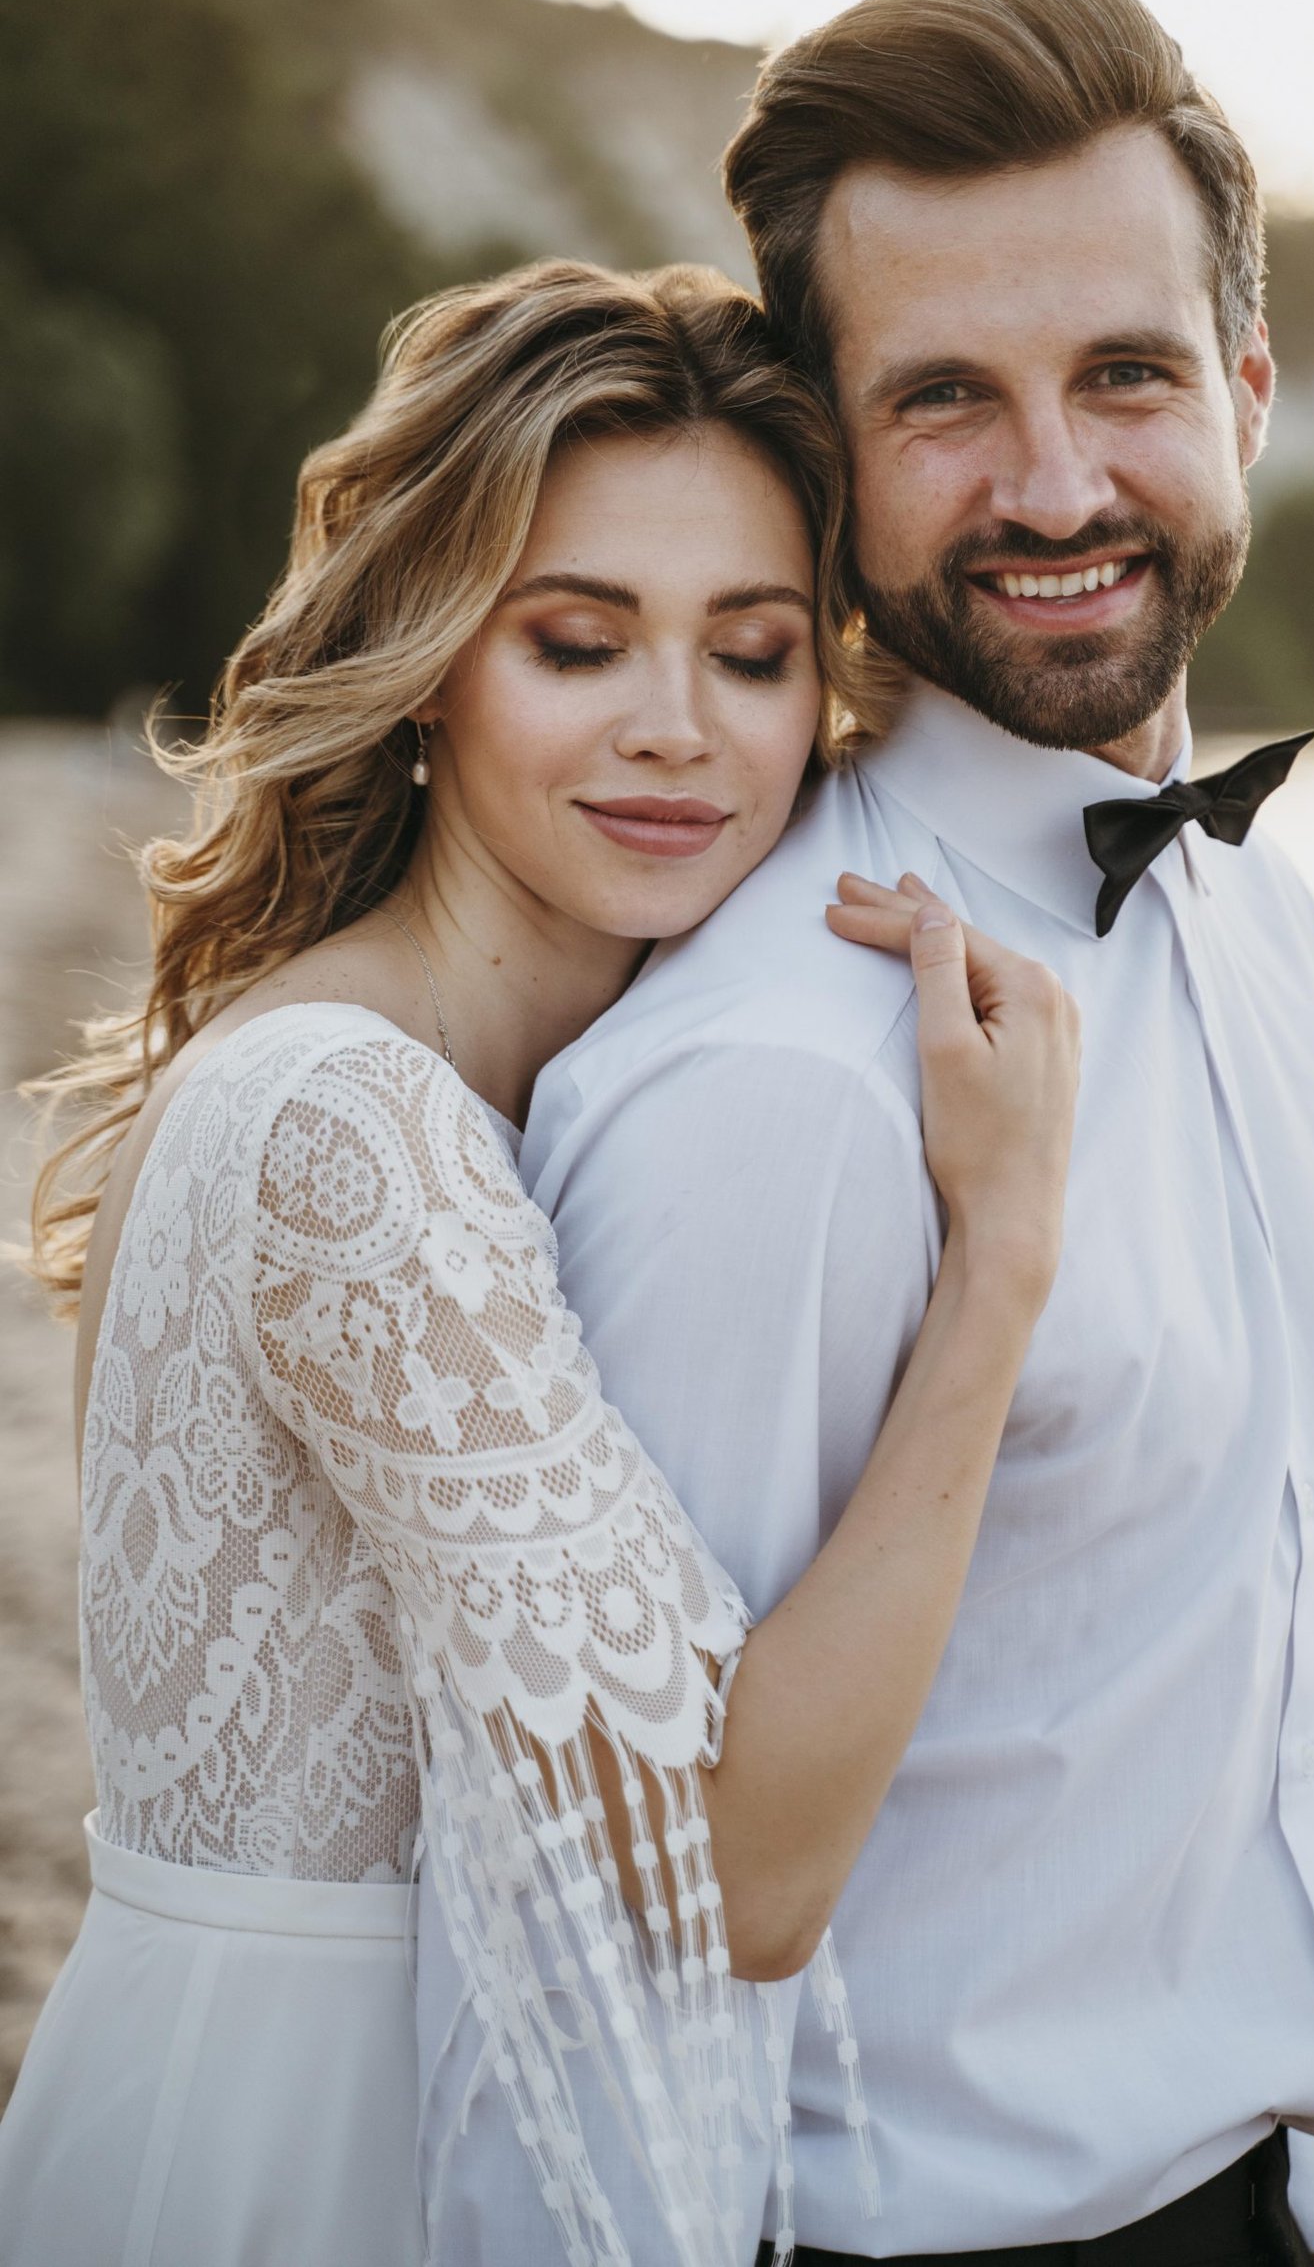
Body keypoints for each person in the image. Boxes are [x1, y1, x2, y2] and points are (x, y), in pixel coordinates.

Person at [421, 0, 1314, 2267]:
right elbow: (594, 1940)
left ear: (1247, 389)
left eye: (1127, 375)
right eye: (945, 399)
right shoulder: (766, 1079)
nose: (1057, 482)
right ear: (827, 452)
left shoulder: (1272, 938)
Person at [0, 259, 1079, 2267]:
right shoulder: (350, 1124)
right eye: (578, 641)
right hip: (312, 2151)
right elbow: (732, 1879)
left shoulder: (416, 1075)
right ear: (427, 663)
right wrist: (1001, 1253)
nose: (677, 731)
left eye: (753, 655)